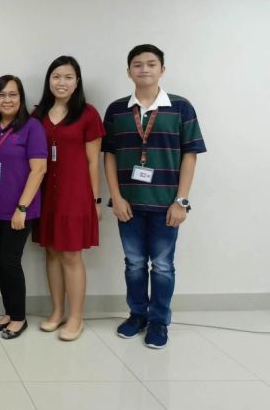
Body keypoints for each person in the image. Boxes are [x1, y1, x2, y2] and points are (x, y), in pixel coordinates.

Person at [103, 44, 206, 349]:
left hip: (166, 206)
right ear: (128, 71)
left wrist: (181, 201)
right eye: (137, 64)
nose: (144, 69)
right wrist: (116, 197)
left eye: (151, 64)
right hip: (129, 205)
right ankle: (137, 315)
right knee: (134, 263)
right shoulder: (117, 110)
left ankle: (159, 321)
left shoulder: (181, 107)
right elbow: (109, 155)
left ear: (163, 69)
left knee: (162, 266)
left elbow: (190, 155)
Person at [32, 55, 104, 341]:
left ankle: (76, 317)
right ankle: (57, 311)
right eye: (56, 76)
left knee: (71, 254)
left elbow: (92, 162)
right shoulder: (38, 114)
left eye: (68, 77)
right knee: (50, 251)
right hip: (45, 192)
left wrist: (96, 201)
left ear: (77, 82)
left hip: (75, 194)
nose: (62, 82)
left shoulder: (88, 114)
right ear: (49, 80)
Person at [0, 75, 47, 339]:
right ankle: (9, 312)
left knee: (10, 262)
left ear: (21, 98)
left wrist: (21, 208)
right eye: (1, 95)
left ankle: (19, 318)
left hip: (20, 209)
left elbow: (39, 169)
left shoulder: (32, 127)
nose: (7, 100)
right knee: (0, 262)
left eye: (13, 94)